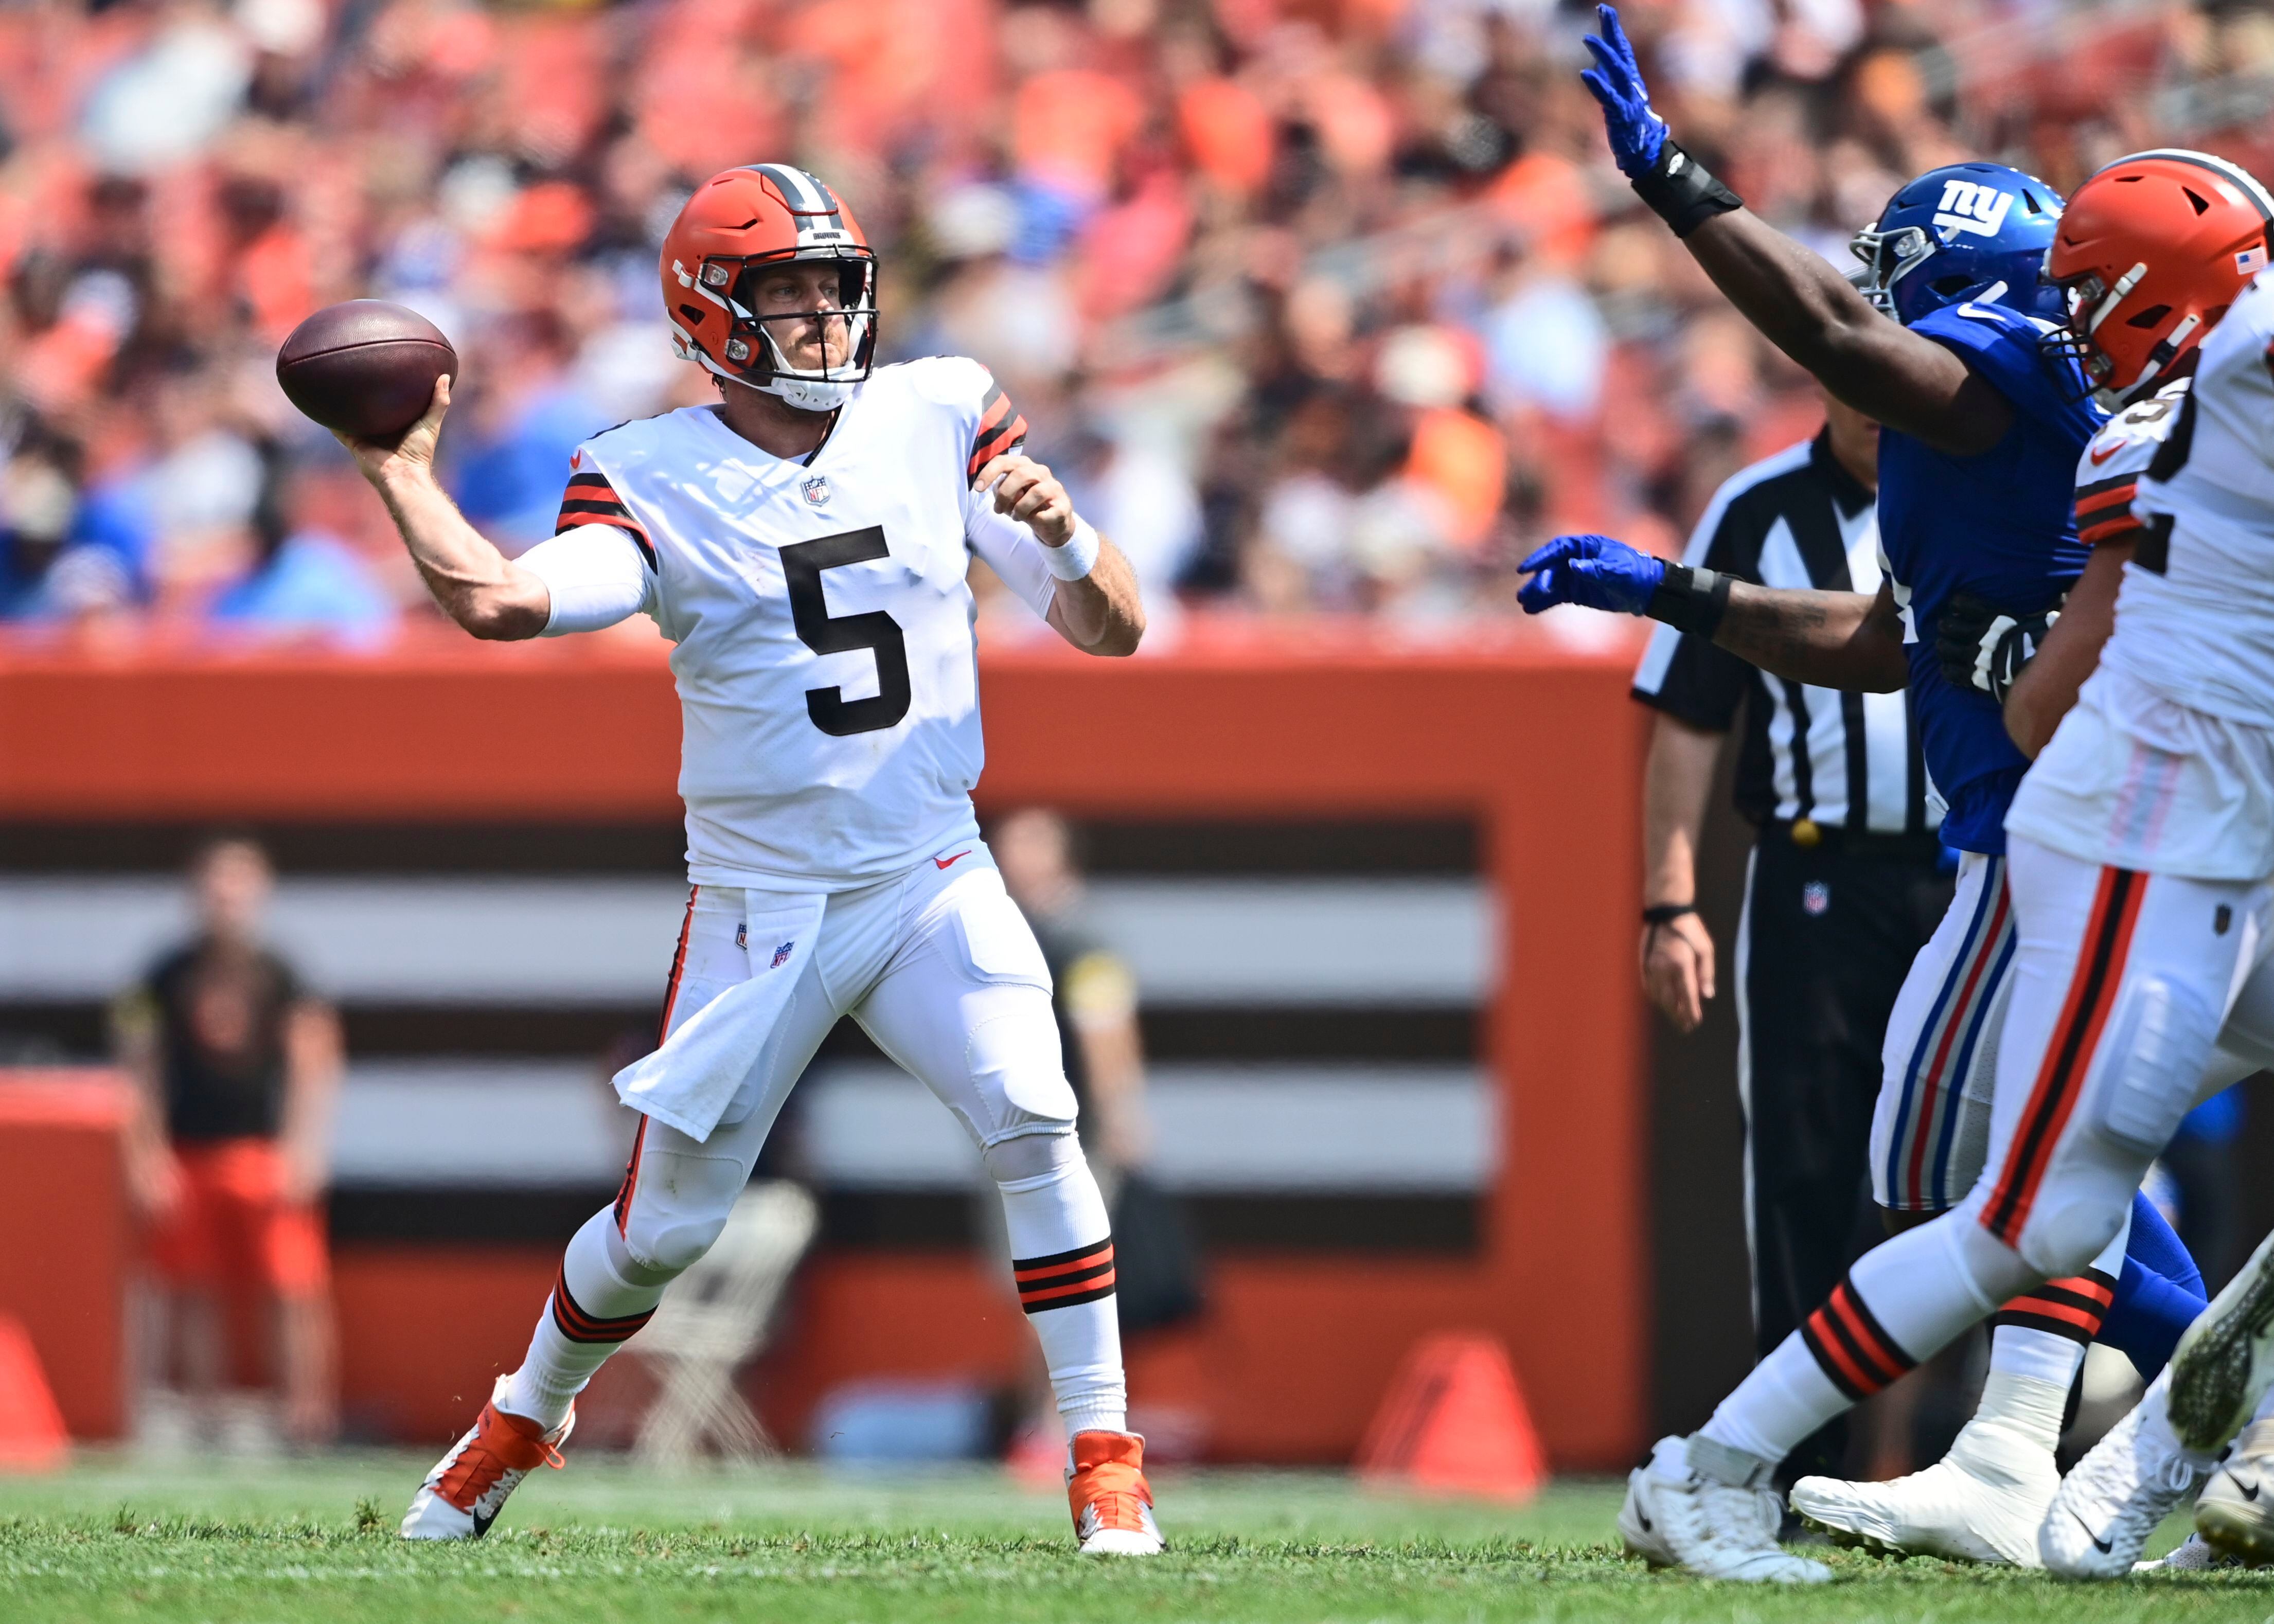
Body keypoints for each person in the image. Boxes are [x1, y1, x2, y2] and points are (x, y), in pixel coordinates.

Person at [335, 164, 1160, 1555]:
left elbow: (1111, 628)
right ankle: (521, 1414)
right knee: (659, 1232)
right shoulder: (651, 469)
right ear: (710, 314)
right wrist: (401, 477)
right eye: (787, 294)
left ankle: (1102, 1452)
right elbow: (498, 600)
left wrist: (1064, 531)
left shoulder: (941, 407)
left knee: (1036, 1110)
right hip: (760, 907)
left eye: (836, 290)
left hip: (924, 871)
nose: (827, 321)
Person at [1538, 19, 2273, 1579]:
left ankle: (1751, 1456)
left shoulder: (2001, 372)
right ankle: (2065, 1446)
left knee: (1983, 1175)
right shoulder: (2019, 419)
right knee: (2023, 1171)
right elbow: (1884, 638)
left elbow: (1852, 348)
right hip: (2090, 819)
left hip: (2075, 826)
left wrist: (1680, 184)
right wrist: (1681, 592)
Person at [1631, 388, 1941, 1492]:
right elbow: (1688, 708)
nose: (1875, 409)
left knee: (1978, 1174)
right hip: (1817, 873)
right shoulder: (1758, 508)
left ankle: (1970, 1455)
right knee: (1805, 1171)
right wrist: (1669, 903)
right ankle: (1796, 1463)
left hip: (1971, 875)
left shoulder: (1974, 483)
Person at [992, 807, 1206, 1454]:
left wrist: (1121, 1112)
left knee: (1061, 1276)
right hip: (1014, 1134)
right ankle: (1044, 1420)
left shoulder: (1079, 934)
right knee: (1033, 1282)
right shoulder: (1014, 927)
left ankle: (1061, 1425)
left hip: (1069, 1138)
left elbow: (1106, 1024)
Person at [117, 834, 342, 1449]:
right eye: (215, 886)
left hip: (264, 1150)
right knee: (193, 1285)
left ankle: (307, 1421)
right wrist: (145, 1154)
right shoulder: (164, 974)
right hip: (187, 1151)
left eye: (238, 886)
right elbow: (140, 1067)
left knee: (293, 1285)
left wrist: (304, 1148)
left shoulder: (283, 972)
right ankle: (205, 1416)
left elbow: (314, 1060)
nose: (226, 900)